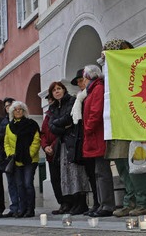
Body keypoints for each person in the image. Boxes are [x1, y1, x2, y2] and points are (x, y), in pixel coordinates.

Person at [100, 39, 146, 217]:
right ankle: (129, 201)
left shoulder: (133, 67)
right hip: (116, 123)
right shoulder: (108, 72)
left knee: (136, 163)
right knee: (122, 165)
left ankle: (144, 201)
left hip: (132, 123)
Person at [48, 81, 90, 215]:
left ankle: (81, 203)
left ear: (64, 90)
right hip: (63, 143)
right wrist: (60, 126)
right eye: (54, 90)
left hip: (73, 141)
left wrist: (59, 124)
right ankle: (74, 203)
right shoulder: (54, 107)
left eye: (59, 89)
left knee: (76, 173)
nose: (57, 92)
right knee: (67, 174)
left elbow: (69, 118)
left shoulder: (71, 101)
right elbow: (51, 126)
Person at [79, 65, 115, 217]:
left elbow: (96, 111)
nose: (83, 80)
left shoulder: (98, 88)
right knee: (98, 172)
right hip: (93, 135)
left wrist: (87, 128)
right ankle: (101, 204)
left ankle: (107, 205)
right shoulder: (92, 90)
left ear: (90, 76)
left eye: (84, 77)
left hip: (97, 135)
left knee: (102, 171)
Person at [70, 68, 100, 215]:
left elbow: (93, 115)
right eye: (78, 82)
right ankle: (95, 202)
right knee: (90, 173)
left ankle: (99, 201)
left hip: (90, 136)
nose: (80, 83)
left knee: (96, 173)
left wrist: (87, 128)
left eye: (81, 80)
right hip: (83, 139)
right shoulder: (79, 98)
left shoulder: (90, 94)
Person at [3, 101, 41, 218]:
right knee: (19, 185)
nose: (18, 111)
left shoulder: (32, 124)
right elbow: (6, 142)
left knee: (28, 183)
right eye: (15, 109)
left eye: (20, 109)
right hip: (16, 159)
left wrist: (29, 154)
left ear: (24, 111)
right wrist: (10, 154)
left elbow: (36, 140)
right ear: (12, 112)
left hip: (30, 159)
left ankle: (30, 209)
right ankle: (22, 209)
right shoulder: (9, 126)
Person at [40, 94, 65, 214]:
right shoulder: (47, 115)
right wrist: (45, 147)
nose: (50, 102)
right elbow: (43, 133)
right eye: (48, 100)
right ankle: (62, 203)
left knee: (62, 178)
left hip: (59, 149)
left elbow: (60, 132)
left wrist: (53, 146)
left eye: (51, 99)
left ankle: (68, 203)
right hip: (49, 153)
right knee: (55, 179)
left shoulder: (59, 112)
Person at [0, 97, 18, 217]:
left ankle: (23, 206)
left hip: (20, 154)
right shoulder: (4, 121)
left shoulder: (21, 118)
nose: (8, 107)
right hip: (7, 156)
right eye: (6, 106)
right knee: (11, 183)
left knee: (21, 182)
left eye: (10, 104)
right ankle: (14, 207)